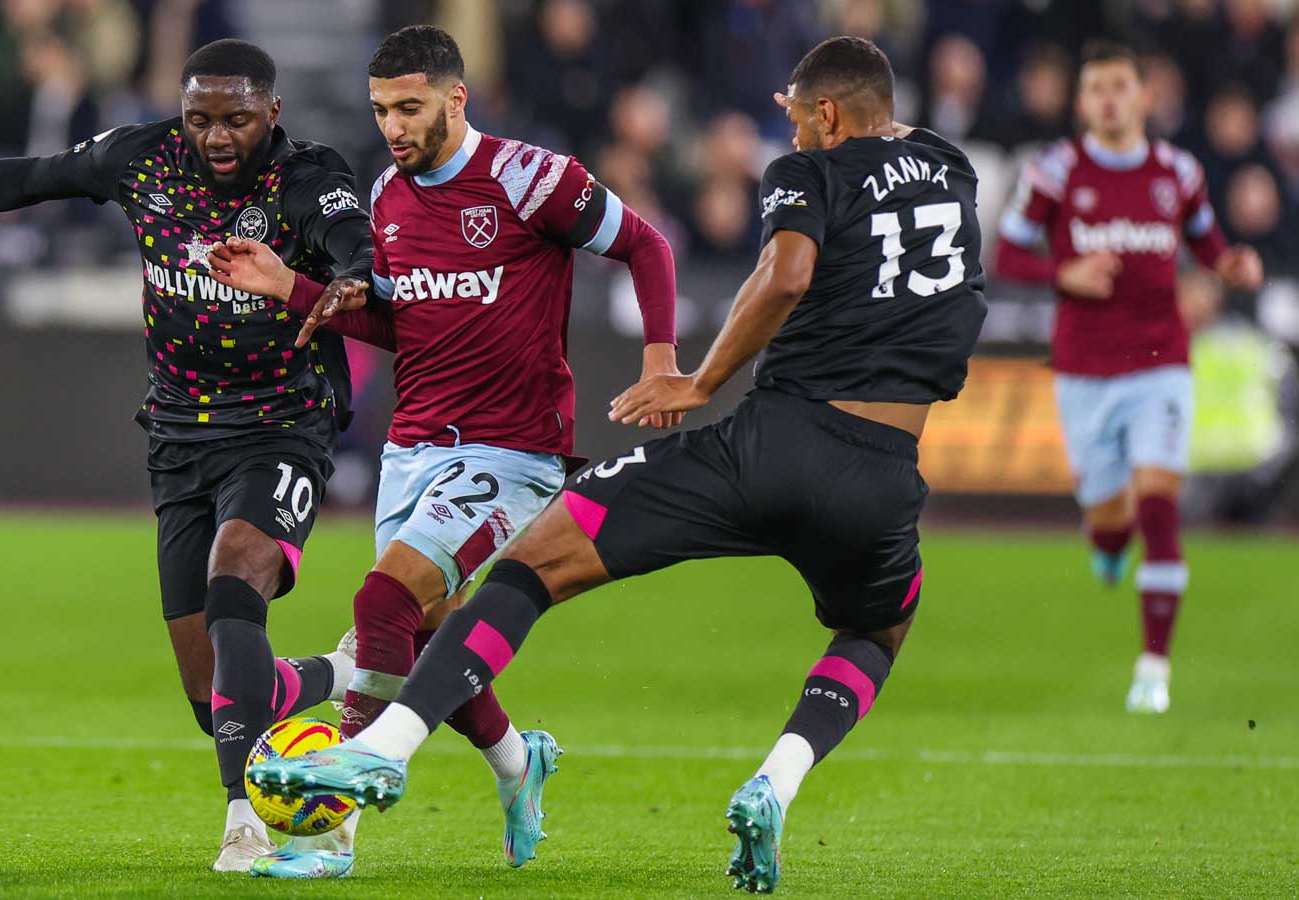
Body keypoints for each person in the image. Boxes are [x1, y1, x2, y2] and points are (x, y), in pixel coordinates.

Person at [246, 36, 987, 895]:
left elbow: (775, 271)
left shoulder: (793, 173)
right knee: (876, 629)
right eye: (382, 111)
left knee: (525, 571)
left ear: (826, 114)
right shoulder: (952, 167)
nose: (784, 127)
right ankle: (763, 782)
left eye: (792, 113)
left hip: (749, 443)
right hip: (890, 472)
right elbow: (953, 295)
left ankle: (373, 757)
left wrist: (692, 374)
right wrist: (297, 292)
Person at [0, 39, 370, 873]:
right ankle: (335, 673)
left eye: (236, 119)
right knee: (213, 697)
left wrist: (348, 280)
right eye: (200, 117)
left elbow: (353, 240)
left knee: (235, 580)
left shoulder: (308, 176)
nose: (215, 136)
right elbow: (25, 180)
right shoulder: (141, 158)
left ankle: (244, 817)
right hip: (178, 434)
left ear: (270, 114)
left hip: (284, 424)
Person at [203, 24, 678, 879]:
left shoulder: (533, 179)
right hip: (415, 449)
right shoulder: (387, 193)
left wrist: (660, 359)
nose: (393, 125)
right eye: (382, 108)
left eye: (411, 107)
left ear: (457, 99)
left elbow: (647, 244)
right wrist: (291, 287)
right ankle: (516, 764)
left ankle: (331, 830)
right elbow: (399, 321)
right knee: (420, 638)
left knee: (381, 605)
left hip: (513, 453)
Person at [995, 41, 1263, 714]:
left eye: (1120, 86)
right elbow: (1004, 252)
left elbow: (1207, 242)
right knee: (1111, 520)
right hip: (1084, 370)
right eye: (1096, 88)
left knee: (1159, 504)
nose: (1109, 99)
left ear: (1145, 97)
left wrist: (1229, 266)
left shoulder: (1178, 171)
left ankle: (1152, 668)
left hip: (1160, 362)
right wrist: (1065, 273)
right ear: (1081, 101)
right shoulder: (1055, 172)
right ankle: (1109, 544)